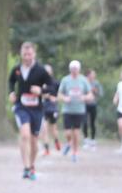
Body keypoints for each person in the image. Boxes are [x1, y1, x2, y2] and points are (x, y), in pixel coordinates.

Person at [8, 42, 54, 180]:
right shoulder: (17, 69)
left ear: (34, 54)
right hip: (21, 107)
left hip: (37, 109)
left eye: (29, 54)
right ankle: (26, 167)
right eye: (24, 54)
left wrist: (41, 90)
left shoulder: (40, 70)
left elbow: (52, 86)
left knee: (34, 141)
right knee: (25, 135)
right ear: (21, 54)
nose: (27, 57)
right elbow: (11, 81)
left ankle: (32, 165)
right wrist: (11, 92)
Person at [58, 60, 93, 162]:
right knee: (68, 133)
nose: (74, 71)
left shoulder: (83, 80)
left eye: (76, 69)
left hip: (79, 110)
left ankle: (75, 153)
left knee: (76, 133)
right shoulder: (65, 80)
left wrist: (84, 97)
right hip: (67, 110)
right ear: (70, 69)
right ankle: (69, 143)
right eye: (72, 69)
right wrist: (64, 98)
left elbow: (90, 95)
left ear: (79, 69)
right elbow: (59, 94)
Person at [39, 64, 62, 156]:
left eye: (48, 71)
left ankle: (56, 140)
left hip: (52, 108)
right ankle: (47, 149)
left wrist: (55, 98)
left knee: (53, 129)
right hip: (42, 107)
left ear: (51, 72)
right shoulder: (39, 83)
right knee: (44, 129)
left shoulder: (56, 83)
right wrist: (45, 96)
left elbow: (61, 95)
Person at [83, 69, 103, 149]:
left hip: (93, 105)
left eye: (94, 74)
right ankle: (86, 139)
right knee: (84, 122)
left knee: (92, 122)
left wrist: (95, 91)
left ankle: (93, 139)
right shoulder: (83, 82)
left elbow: (101, 94)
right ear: (88, 75)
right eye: (92, 74)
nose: (94, 76)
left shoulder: (96, 83)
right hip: (84, 105)